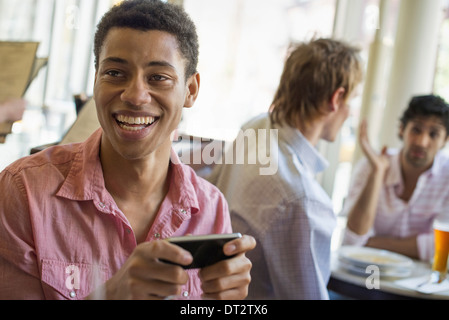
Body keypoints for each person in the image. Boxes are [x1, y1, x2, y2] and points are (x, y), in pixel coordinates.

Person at [0, 0, 255, 300]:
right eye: (115, 73)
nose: (135, 96)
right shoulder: (24, 191)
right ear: (95, 80)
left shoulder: (210, 208)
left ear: (191, 90)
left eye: (158, 77)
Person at [206, 38, 364, 299]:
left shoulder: (254, 127)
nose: (351, 112)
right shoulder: (302, 200)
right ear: (336, 99)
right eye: (353, 99)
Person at [342, 94, 449, 262]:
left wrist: (371, 243)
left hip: (418, 283)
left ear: (445, 140)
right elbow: (352, 239)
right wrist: (377, 173)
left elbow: (443, 246)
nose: (421, 142)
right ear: (402, 129)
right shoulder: (371, 165)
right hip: (366, 274)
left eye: (433, 134)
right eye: (416, 130)